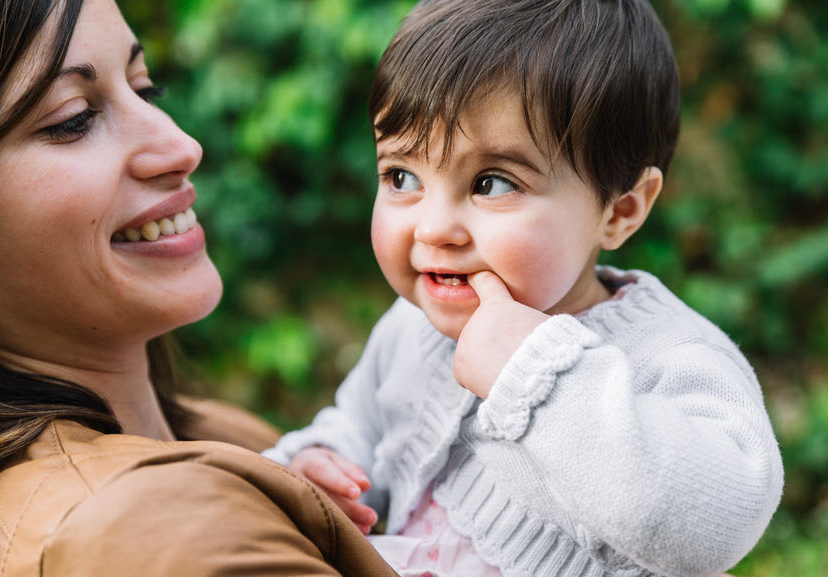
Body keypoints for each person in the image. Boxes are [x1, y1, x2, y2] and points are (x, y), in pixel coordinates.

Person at [263, 1, 784, 576]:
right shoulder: (410, 326)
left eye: (491, 183)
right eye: (402, 176)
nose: (434, 227)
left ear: (620, 210)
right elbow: (357, 424)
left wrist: (538, 378)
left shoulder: (670, 358)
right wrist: (321, 469)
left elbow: (715, 525)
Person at [0, 1, 399, 575]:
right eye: (72, 119)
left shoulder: (218, 433)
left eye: (144, 88)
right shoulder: (149, 527)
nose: (181, 146)